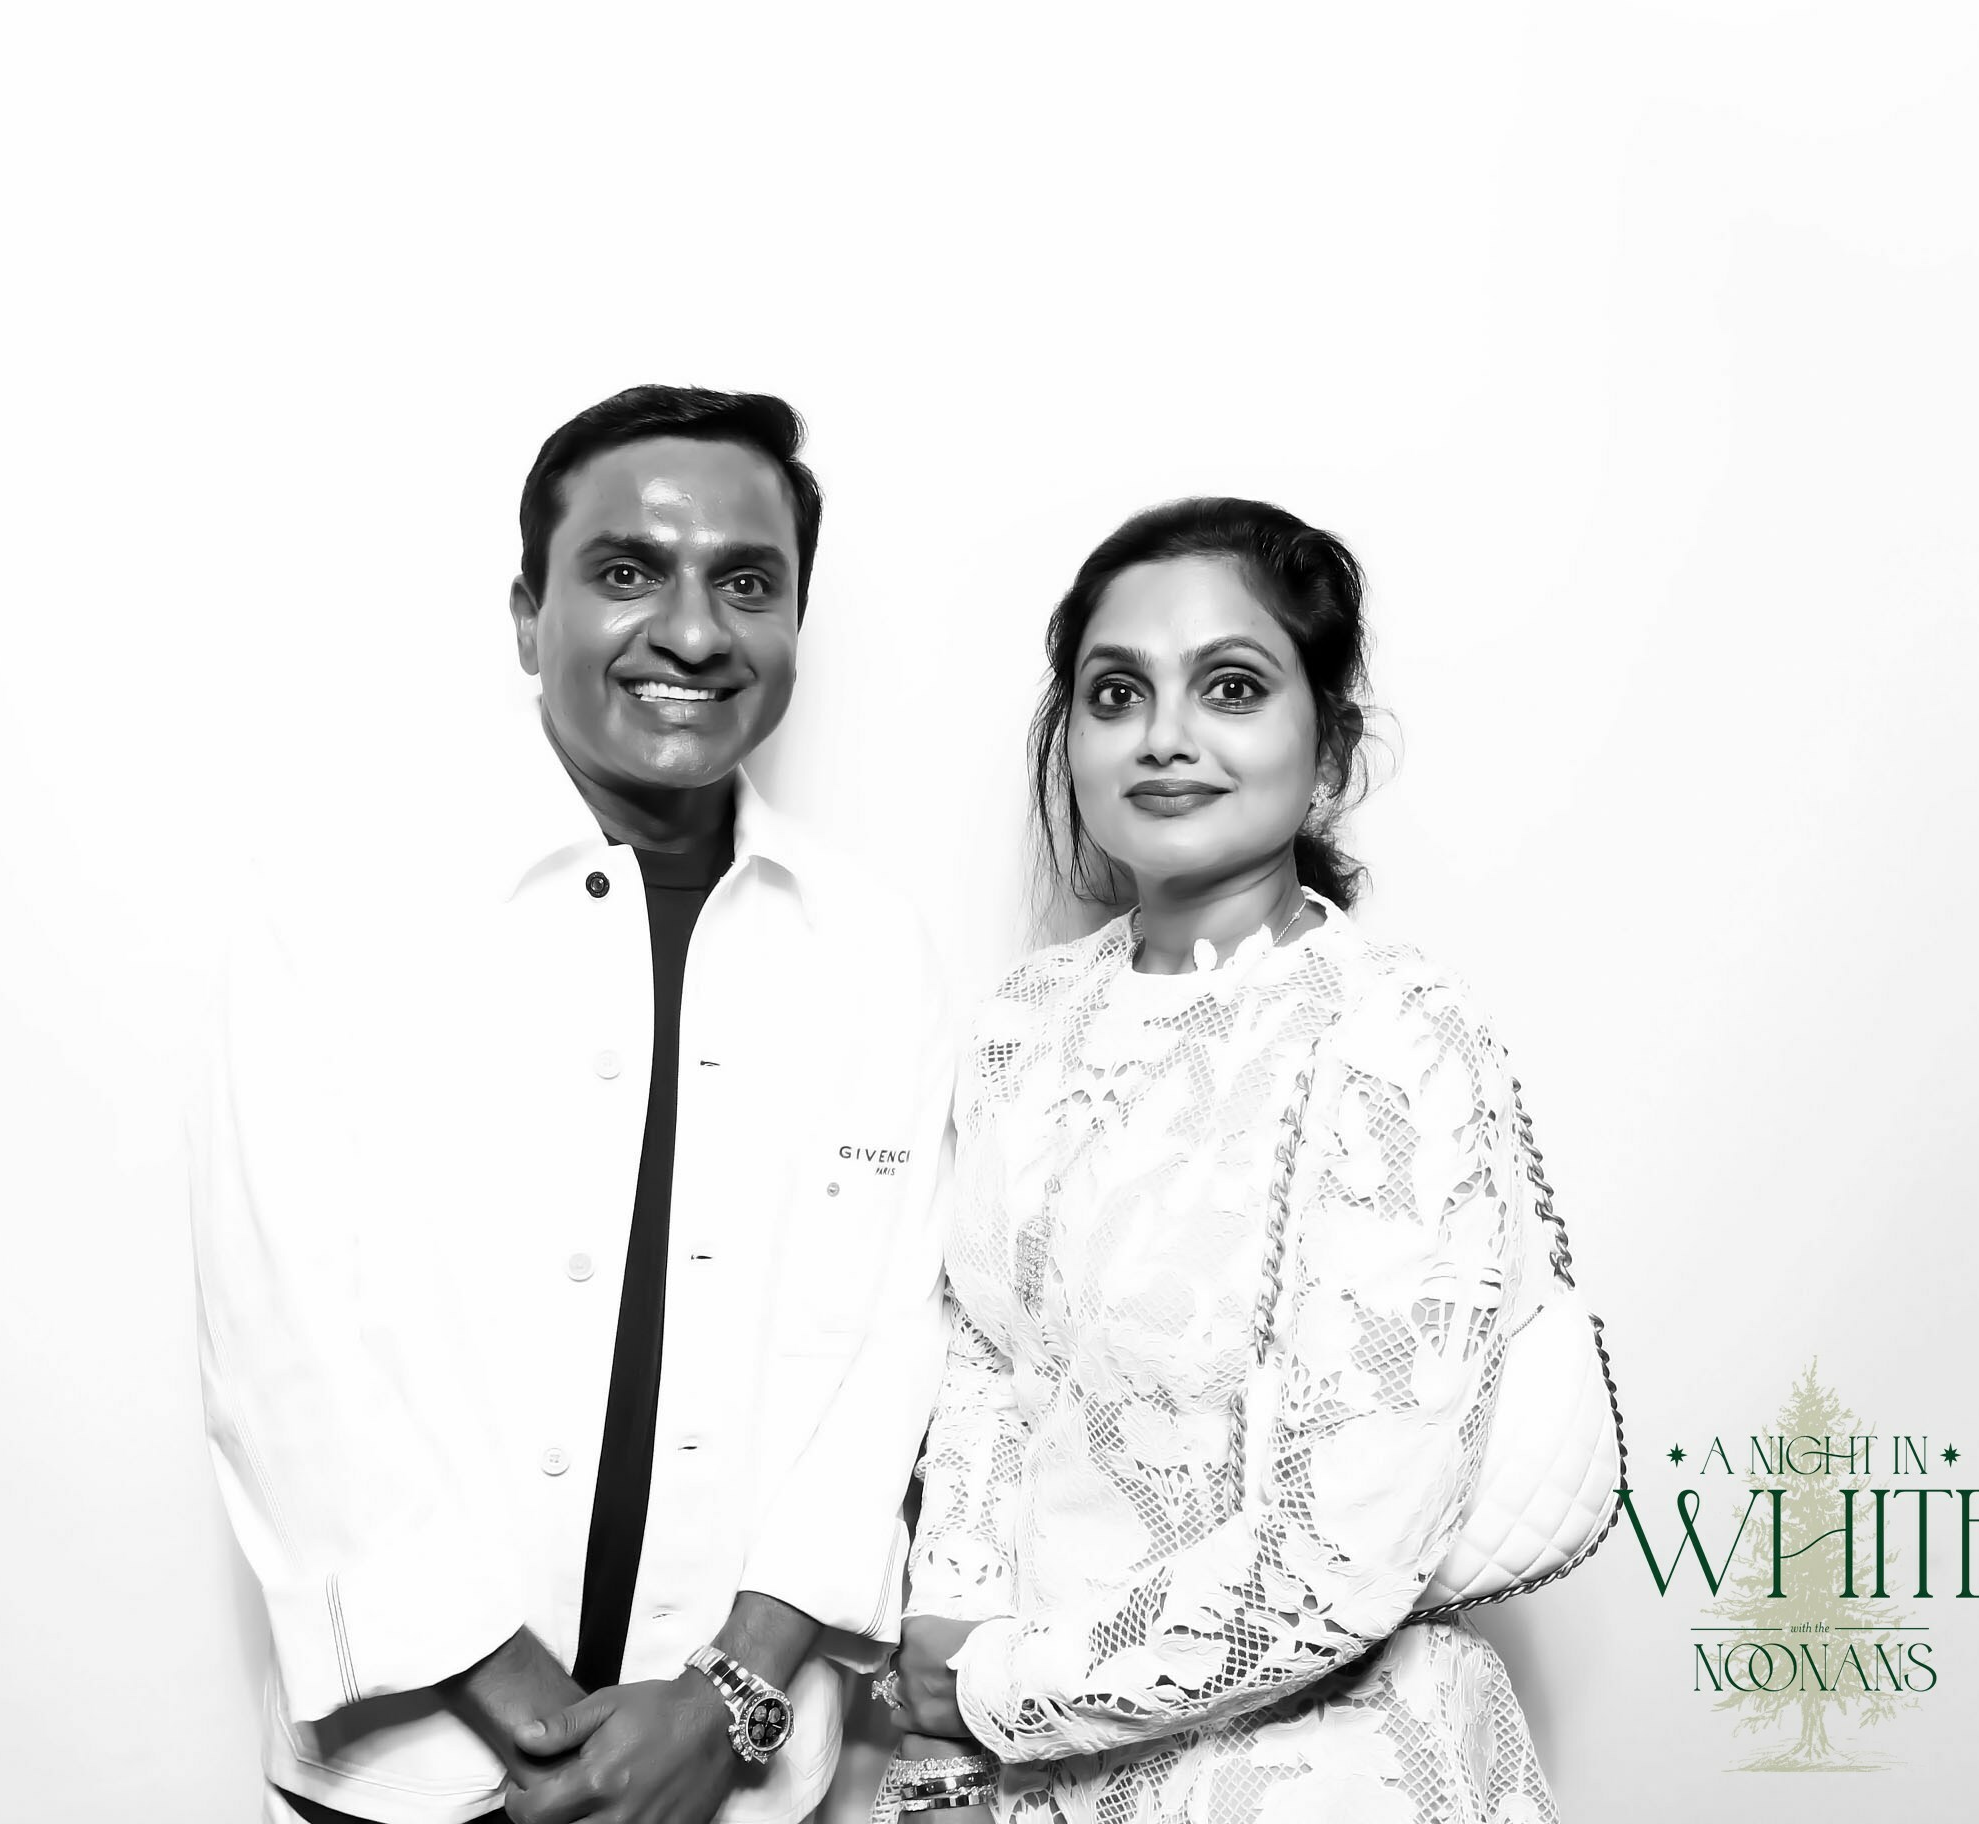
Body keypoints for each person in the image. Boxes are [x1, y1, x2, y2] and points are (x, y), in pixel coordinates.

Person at [189, 386, 958, 1824]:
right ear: (528, 617)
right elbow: (277, 1334)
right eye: (626, 571)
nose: (693, 632)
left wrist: (725, 1699)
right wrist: (537, 1722)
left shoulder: (878, 951)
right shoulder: (340, 904)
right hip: (414, 1766)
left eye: (748, 582)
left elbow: (897, 1353)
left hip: (730, 1776)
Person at [878, 499, 1560, 1821]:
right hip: (1030, 1774)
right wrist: (949, 1656)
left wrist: (996, 1688)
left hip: (1319, 1771)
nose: (1165, 736)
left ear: (1329, 749)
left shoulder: (1394, 1035)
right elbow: (986, 1364)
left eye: (1231, 687)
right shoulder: (1021, 1022)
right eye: (1116, 693)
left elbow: (1343, 1554)